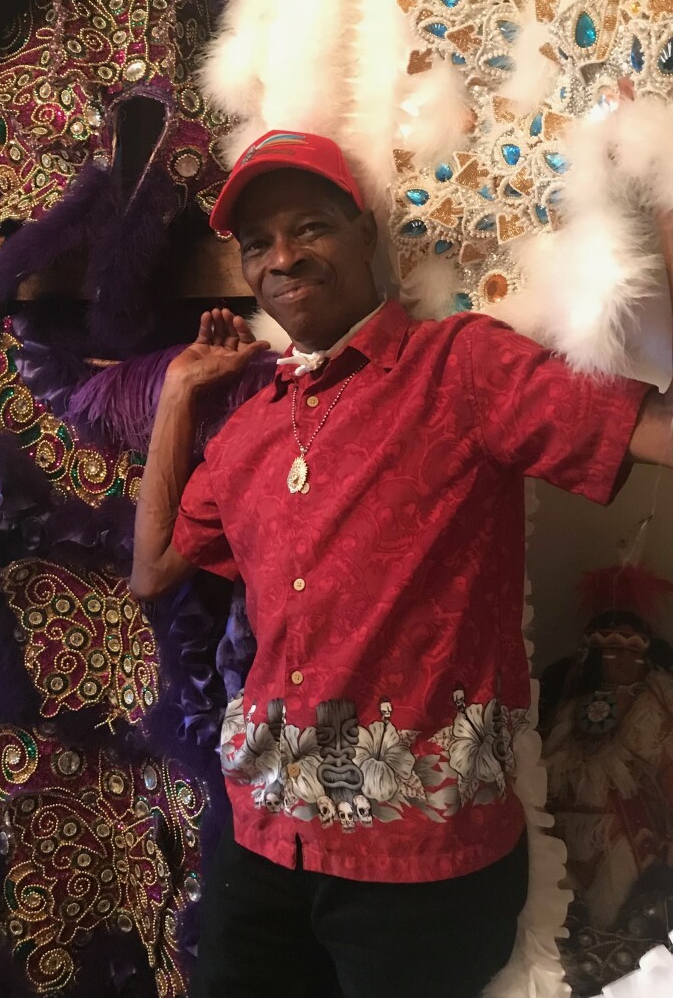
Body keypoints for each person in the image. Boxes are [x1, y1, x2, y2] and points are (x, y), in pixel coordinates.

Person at [130, 129, 673, 998]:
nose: (282, 258)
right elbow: (152, 568)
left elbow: (655, 431)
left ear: (365, 234)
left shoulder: (461, 366)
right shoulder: (249, 431)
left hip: (421, 863)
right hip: (260, 844)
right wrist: (177, 393)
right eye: (257, 244)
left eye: (310, 226)